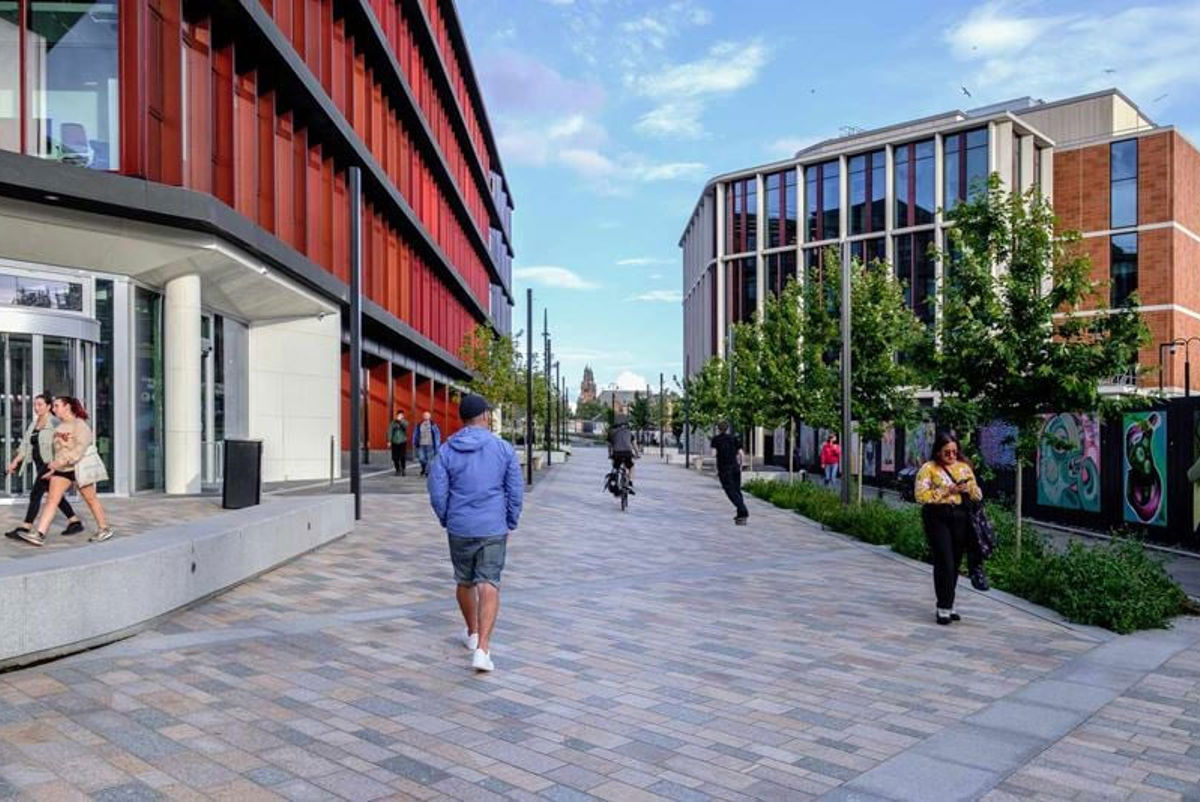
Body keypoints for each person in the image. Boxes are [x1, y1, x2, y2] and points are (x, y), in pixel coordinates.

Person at [428, 394, 523, 673]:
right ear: (483, 416)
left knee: (464, 580)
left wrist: (447, 516)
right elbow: (514, 489)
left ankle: (471, 633)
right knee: (489, 583)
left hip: (460, 526)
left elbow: (437, 491)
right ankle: (483, 649)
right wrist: (510, 520)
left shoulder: (446, 450)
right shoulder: (503, 448)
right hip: (493, 526)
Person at [19, 396, 113, 547]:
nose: (54, 409)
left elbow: (79, 451)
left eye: (56, 406)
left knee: (90, 499)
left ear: (67, 407)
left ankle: (104, 528)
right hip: (62, 469)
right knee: (51, 500)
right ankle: (39, 534)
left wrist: (59, 462)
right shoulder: (60, 426)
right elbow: (58, 451)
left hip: (78, 467)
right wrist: (53, 468)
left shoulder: (80, 426)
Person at [915, 430, 982, 625]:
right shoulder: (928, 469)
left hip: (961, 516)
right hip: (938, 516)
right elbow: (921, 496)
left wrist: (968, 489)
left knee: (955, 561)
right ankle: (943, 605)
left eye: (954, 452)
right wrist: (947, 490)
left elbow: (978, 494)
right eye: (947, 452)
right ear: (938, 452)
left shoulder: (964, 468)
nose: (951, 456)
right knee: (944, 559)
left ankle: (950, 602)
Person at [5, 392, 85, 540]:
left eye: (40, 404)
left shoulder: (54, 423)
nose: (37, 407)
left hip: (50, 464)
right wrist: (15, 461)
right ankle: (74, 521)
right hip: (38, 463)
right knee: (55, 495)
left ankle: (26, 526)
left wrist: (60, 464)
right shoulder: (34, 424)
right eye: (35, 404)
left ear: (48, 406)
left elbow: (64, 444)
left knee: (36, 493)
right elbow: (26, 445)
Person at [711, 421, 749, 525]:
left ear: (718, 429)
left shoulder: (716, 439)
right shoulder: (734, 438)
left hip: (724, 469)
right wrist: (741, 464)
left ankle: (743, 510)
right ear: (727, 428)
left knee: (730, 491)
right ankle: (740, 515)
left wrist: (715, 468)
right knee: (737, 490)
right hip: (735, 467)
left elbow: (714, 454)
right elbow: (741, 453)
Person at [607, 415, 639, 487]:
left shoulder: (611, 432)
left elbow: (609, 445)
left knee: (615, 466)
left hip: (616, 453)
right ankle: (630, 481)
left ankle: (614, 477)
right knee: (631, 466)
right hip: (627, 453)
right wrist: (637, 453)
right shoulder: (629, 432)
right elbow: (634, 445)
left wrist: (609, 454)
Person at [412, 410, 442, 477]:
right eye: (425, 415)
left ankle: (427, 472)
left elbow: (437, 435)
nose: (426, 416)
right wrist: (414, 441)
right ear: (423, 416)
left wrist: (437, 445)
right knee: (421, 458)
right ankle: (424, 468)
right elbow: (415, 433)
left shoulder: (433, 425)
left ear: (429, 416)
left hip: (430, 444)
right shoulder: (419, 425)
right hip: (421, 444)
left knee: (430, 459)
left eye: (427, 415)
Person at [388, 410, 409, 476]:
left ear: (403, 416)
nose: (399, 416)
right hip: (394, 441)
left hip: (402, 441)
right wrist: (389, 440)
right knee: (395, 457)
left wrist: (401, 421)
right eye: (398, 415)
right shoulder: (393, 423)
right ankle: (397, 469)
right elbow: (390, 431)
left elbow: (405, 426)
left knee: (402, 456)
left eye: (401, 415)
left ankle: (403, 469)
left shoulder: (405, 422)